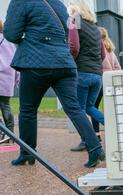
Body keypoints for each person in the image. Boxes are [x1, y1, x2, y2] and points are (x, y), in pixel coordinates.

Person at [4, 0, 105, 168]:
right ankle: (95, 148)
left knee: (28, 110)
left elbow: (11, 33)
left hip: (35, 61)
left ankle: (27, 153)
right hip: (64, 63)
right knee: (74, 108)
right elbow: (69, 32)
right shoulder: (58, 3)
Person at [68, 0, 106, 152]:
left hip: (82, 73)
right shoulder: (96, 28)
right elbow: (103, 54)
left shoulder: (74, 20)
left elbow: (74, 47)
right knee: (90, 107)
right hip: (97, 76)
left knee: (80, 109)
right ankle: (113, 126)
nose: (68, 7)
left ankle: (86, 141)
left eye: (70, 4)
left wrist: (71, 62)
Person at [90, 27, 122, 142]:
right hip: (110, 82)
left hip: (100, 80)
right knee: (112, 107)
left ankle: (97, 134)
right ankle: (117, 132)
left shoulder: (96, 48)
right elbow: (118, 67)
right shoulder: (110, 50)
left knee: (93, 106)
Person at [0, 19, 19, 144]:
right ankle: (10, 134)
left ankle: (3, 133)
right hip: (8, 77)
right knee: (6, 106)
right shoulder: (9, 40)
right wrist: (17, 78)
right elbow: (15, 59)